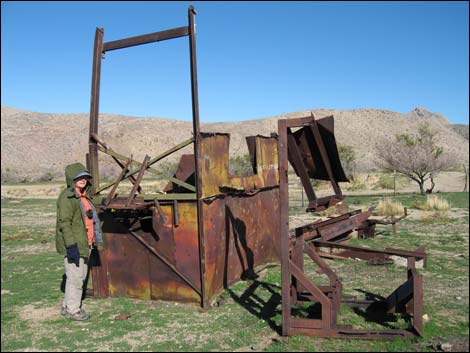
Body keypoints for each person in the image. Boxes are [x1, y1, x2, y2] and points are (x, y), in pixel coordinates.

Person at [56, 163, 103, 321]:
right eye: (79, 177)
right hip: (75, 244)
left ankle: (66, 306)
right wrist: (71, 246)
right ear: (71, 179)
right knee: (76, 277)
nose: (83, 180)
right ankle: (73, 310)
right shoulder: (67, 198)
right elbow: (64, 223)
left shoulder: (83, 196)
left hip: (85, 242)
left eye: (85, 177)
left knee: (77, 276)